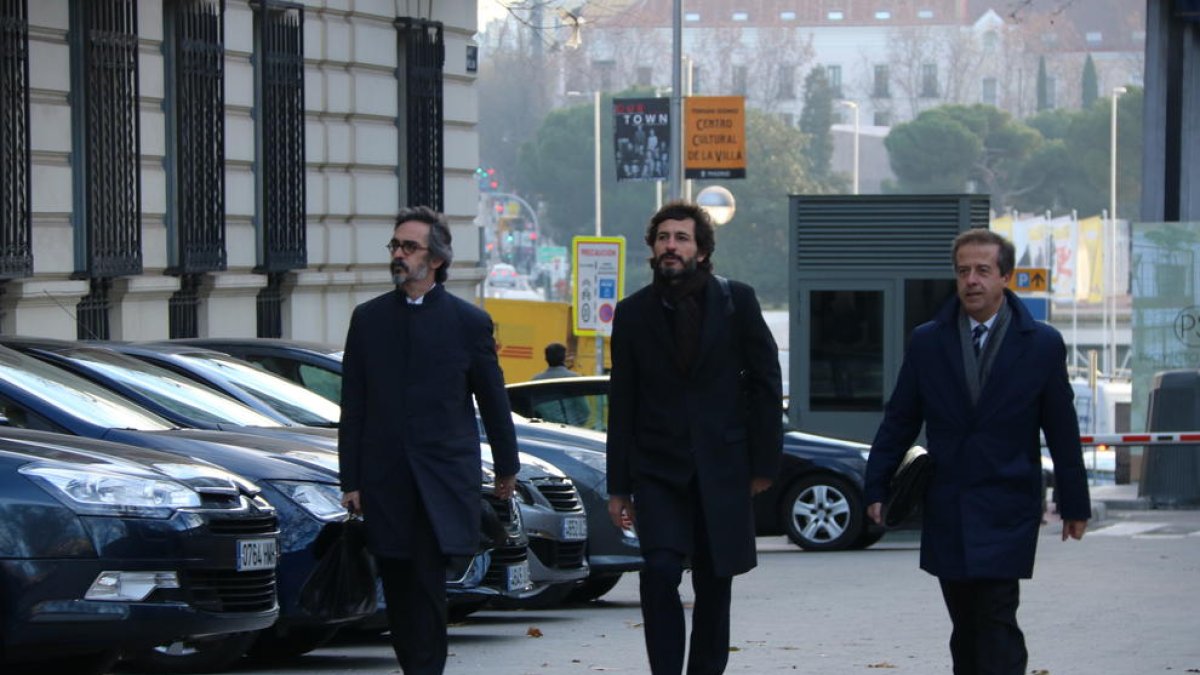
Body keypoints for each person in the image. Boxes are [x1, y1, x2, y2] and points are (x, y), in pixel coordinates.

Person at [864, 228, 1090, 675]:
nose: (971, 280)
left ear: (1005, 276)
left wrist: (1074, 502)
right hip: (949, 501)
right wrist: (876, 485)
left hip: (1008, 502)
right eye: (963, 271)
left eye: (983, 271)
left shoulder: (1041, 344)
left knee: (995, 614)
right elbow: (900, 419)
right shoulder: (928, 341)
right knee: (965, 621)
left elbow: (1061, 429)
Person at [338, 206, 519, 675]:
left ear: (435, 259)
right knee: (397, 586)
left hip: (441, 479)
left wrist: (507, 466)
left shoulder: (467, 322)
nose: (399, 255)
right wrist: (351, 479)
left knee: (426, 582)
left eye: (409, 247)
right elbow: (353, 407)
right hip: (386, 479)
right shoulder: (369, 319)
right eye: (395, 246)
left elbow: (493, 399)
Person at [606, 201, 782, 675]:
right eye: (664, 237)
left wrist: (764, 465)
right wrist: (618, 486)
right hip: (658, 468)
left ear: (701, 251)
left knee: (714, 581)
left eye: (682, 238)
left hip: (722, 467)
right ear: (653, 248)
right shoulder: (632, 313)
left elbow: (767, 381)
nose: (671, 246)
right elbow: (622, 402)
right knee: (659, 571)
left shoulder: (736, 301)